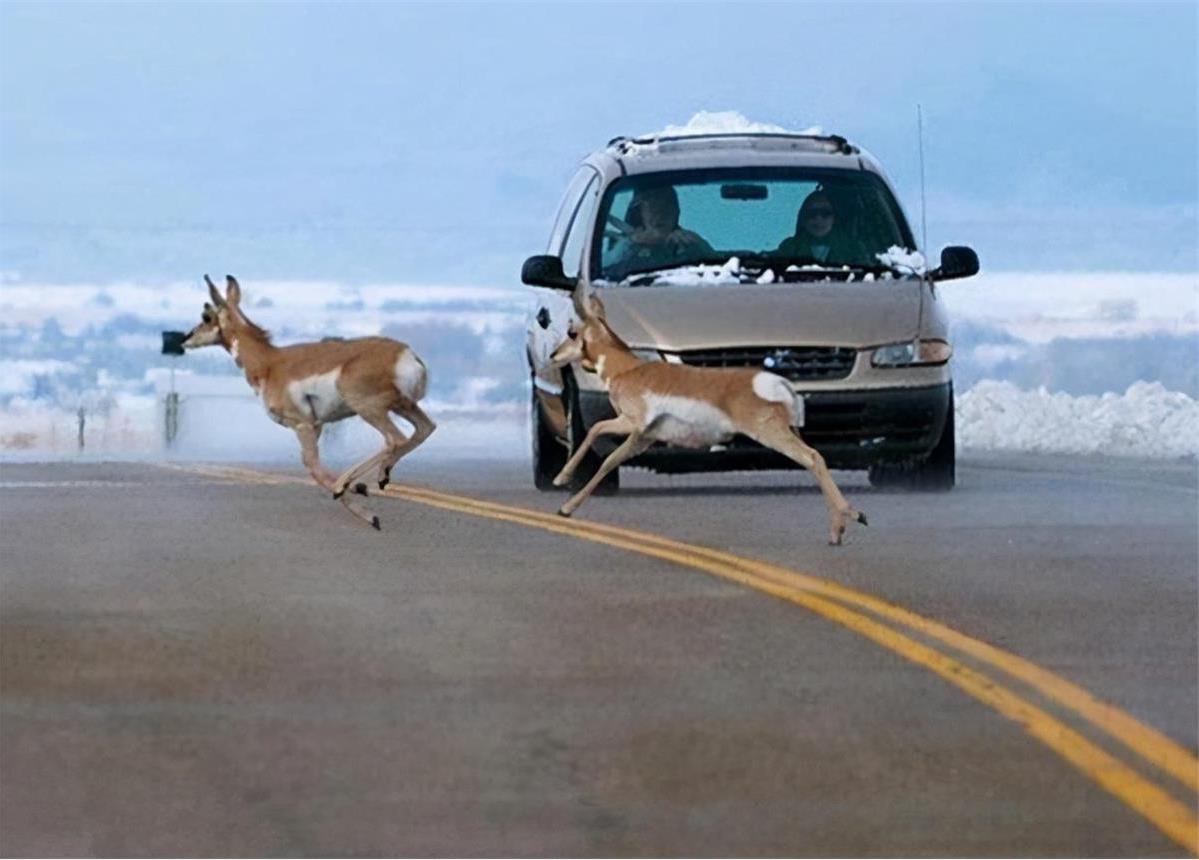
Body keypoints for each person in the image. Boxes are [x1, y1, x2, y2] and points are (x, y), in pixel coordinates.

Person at [605, 185, 713, 276]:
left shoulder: (689, 244)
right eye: (652, 207)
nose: (659, 214)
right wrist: (630, 244)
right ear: (640, 213)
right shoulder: (623, 245)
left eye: (666, 206)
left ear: (677, 211)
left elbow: (716, 271)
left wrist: (700, 246)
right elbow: (607, 275)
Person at [775, 189, 867, 265]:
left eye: (825, 213)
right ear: (803, 218)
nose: (818, 219)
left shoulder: (853, 249)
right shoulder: (788, 248)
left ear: (834, 218)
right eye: (812, 213)